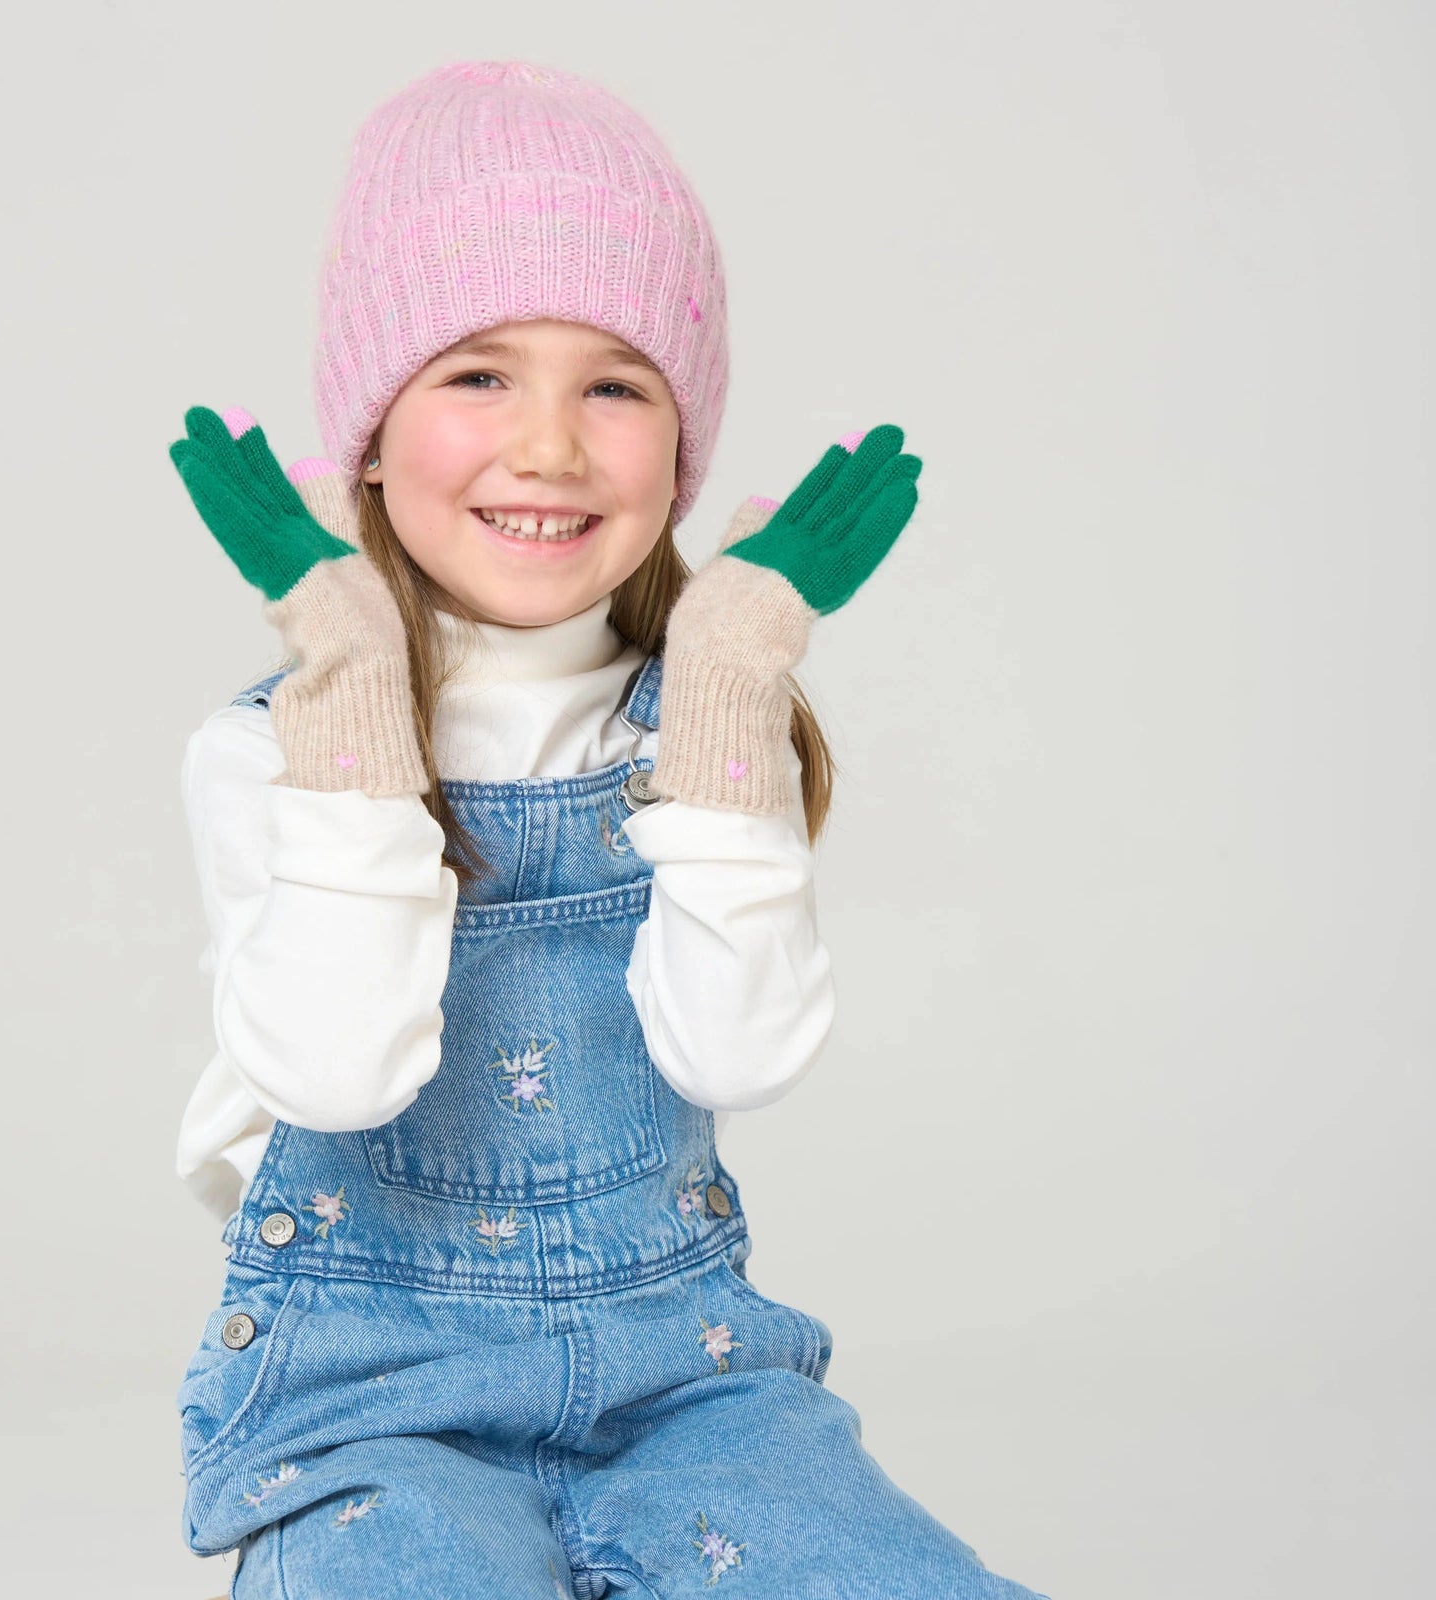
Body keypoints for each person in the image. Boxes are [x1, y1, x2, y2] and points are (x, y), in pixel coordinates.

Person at [167, 58, 1047, 1600]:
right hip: (384, 1410)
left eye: (616, 385)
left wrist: (720, 701)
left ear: (680, 444)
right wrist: (362, 704)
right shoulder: (266, 756)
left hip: (686, 1383)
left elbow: (739, 1056)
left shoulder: (702, 719)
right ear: (369, 433)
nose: (553, 448)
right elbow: (333, 1069)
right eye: (478, 374)